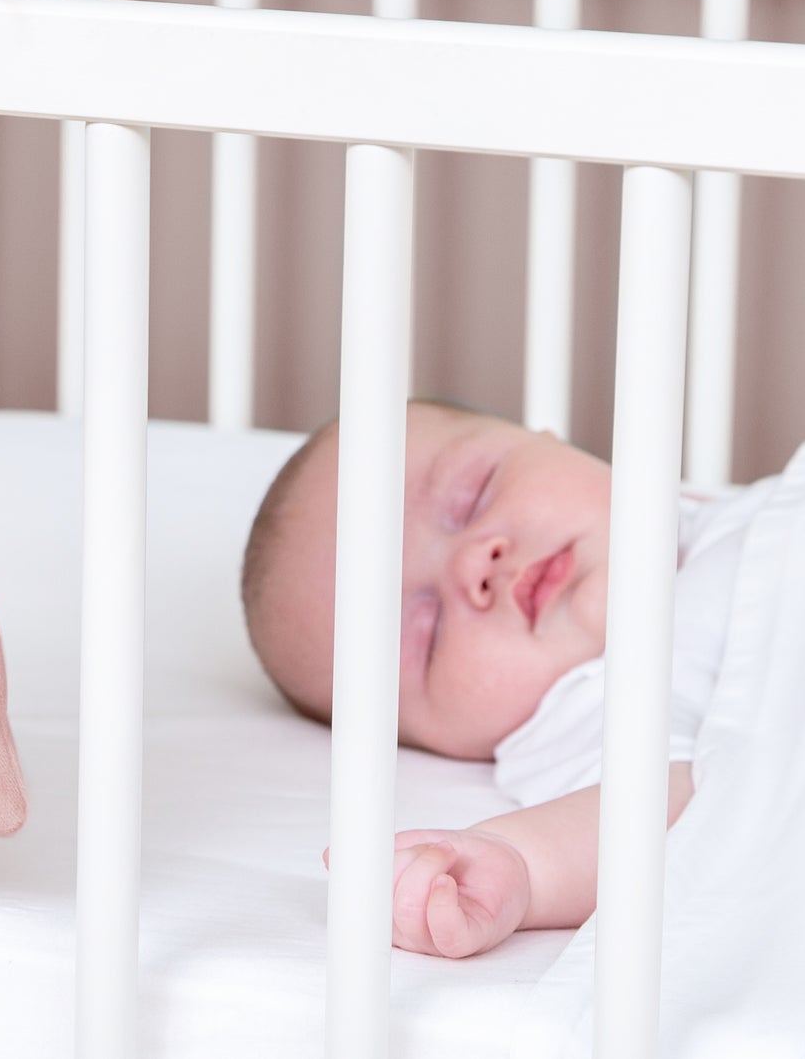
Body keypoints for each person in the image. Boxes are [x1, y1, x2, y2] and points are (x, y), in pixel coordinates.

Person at [241, 398, 751, 958]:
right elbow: (672, 813)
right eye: (427, 631)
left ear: (549, 440)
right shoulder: (583, 705)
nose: (474, 566)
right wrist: (519, 862)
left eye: (473, 496)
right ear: (441, 741)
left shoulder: (757, 507)